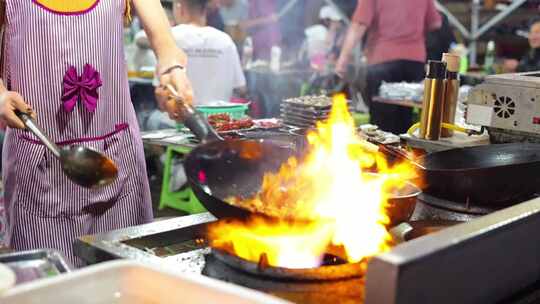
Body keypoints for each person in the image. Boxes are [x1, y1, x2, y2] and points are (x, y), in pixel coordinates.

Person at [0, 0, 193, 266]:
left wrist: (171, 67)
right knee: (53, 288)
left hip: (117, 161)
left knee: (124, 282)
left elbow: (166, 44)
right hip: (39, 160)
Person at [336, 0, 442, 134]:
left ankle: (383, 154)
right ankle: (403, 153)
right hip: (414, 60)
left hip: (382, 59)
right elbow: (435, 23)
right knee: (405, 118)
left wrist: (343, 58)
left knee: (381, 125)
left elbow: (359, 24)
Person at [139, 0, 246, 106]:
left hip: (177, 119)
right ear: (204, 10)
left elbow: (160, 89)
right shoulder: (225, 40)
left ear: (180, 8)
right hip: (220, 118)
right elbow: (241, 88)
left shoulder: (170, 39)